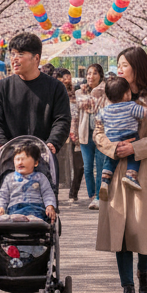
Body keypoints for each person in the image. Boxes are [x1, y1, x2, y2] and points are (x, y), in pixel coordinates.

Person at [94, 47, 147, 293]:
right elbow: (99, 131)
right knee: (122, 232)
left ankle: (143, 273)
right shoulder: (112, 94)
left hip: (146, 169)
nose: (120, 69)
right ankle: (127, 288)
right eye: (118, 64)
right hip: (116, 171)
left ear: (137, 68)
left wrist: (135, 148)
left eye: (124, 65)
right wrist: (113, 148)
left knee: (145, 229)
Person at [0, 32, 71, 154]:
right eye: (12, 54)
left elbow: (62, 120)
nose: (14, 58)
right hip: (9, 155)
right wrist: (1, 144)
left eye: (20, 54)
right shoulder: (2, 87)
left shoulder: (55, 87)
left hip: (42, 155)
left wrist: (53, 142)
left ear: (36, 58)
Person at [97, 76, 147, 196]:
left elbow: (97, 120)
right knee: (134, 154)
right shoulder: (131, 106)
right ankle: (131, 175)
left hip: (112, 139)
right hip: (129, 136)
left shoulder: (104, 110)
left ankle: (105, 181)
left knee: (110, 159)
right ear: (127, 94)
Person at [0, 141, 58, 222]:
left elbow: (47, 193)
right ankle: (15, 219)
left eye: (24, 159)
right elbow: (3, 195)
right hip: (15, 208)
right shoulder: (9, 178)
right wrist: (0, 207)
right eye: (17, 159)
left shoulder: (40, 177)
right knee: (10, 216)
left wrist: (49, 205)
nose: (20, 162)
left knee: (37, 215)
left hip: (35, 208)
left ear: (36, 163)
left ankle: (33, 220)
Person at [76, 63, 106, 210]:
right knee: (87, 167)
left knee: (100, 166)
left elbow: (99, 106)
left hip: (100, 134)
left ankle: (99, 197)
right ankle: (92, 195)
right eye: (88, 73)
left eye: (94, 73)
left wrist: (93, 97)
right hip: (85, 133)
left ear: (100, 75)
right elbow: (79, 107)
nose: (90, 76)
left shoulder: (107, 91)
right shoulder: (79, 92)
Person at [63, 73, 84, 202]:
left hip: (76, 135)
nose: (67, 80)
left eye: (67, 77)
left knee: (79, 165)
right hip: (61, 136)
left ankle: (73, 192)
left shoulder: (77, 96)